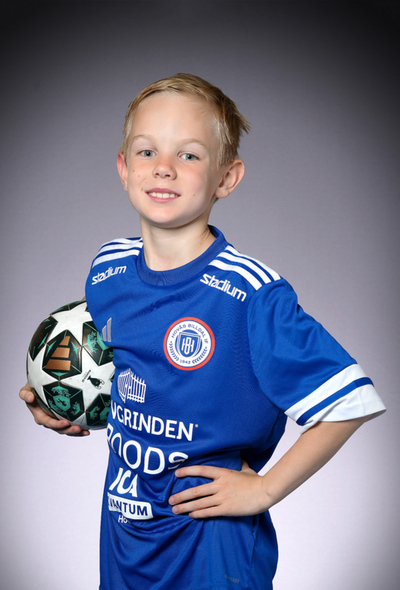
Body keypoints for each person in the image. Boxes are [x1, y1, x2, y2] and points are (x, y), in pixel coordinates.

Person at [20, 73, 386, 590]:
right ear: (123, 168)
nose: (163, 167)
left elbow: (350, 401)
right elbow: (125, 372)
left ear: (226, 178)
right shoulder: (107, 271)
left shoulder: (249, 294)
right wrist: (62, 401)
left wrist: (264, 490)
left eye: (189, 155)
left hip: (212, 547)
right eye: (147, 151)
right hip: (126, 534)